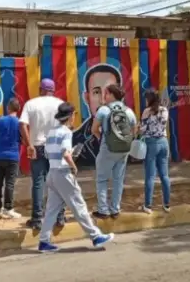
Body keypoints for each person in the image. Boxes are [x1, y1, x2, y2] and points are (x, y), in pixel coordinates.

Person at [38, 102, 114, 253]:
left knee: (51, 210)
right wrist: (73, 166)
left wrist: (68, 155)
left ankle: (44, 241)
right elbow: (66, 154)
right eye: (74, 115)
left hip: (52, 173)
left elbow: (48, 153)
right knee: (79, 205)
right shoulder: (66, 132)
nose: (74, 117)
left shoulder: (51, 132)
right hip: (63, 174)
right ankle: (96, 236)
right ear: (70, 116)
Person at [19, 78, 66, 230]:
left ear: (40, 90)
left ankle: (37, 219)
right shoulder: (60, 104)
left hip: (37, 147)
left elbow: (22, 124)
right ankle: (60, 217)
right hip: (56, 147)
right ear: (53, 90)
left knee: (38, 183)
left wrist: (29, 145)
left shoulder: (31, 104)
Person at [92, 84, 137, 219]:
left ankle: (103, 210)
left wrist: (102, 139)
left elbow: (94, 129)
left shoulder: (103, 110)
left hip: (107, 149)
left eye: (106, 93)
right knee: (118, 180)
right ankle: (115, 209)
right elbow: (134, 131)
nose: (104, 96)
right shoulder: (129, 111)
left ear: (111, 94)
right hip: (124, 150)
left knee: (102, 179)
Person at [73, 64, 123, 167]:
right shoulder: (75, 139)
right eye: (96, 92)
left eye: (109, 92)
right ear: (87, 98)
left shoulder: (127, 134)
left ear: (118, 96)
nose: (103, 101)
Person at [139, 88, 171, 214]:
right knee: (164, 175)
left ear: (149, 99)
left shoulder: (147, 111)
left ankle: (148, 205)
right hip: (163, 142)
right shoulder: (164, 110)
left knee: (150, 176)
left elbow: (142, 129)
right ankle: (167, 204)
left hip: (151, 143)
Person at [0, 98, 22, 219]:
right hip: (13, 156)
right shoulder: (20, 123)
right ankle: (8, 208)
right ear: (18, 109)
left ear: (8, 108)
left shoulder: (0, 121)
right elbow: (23, 138)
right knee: (10, 183)